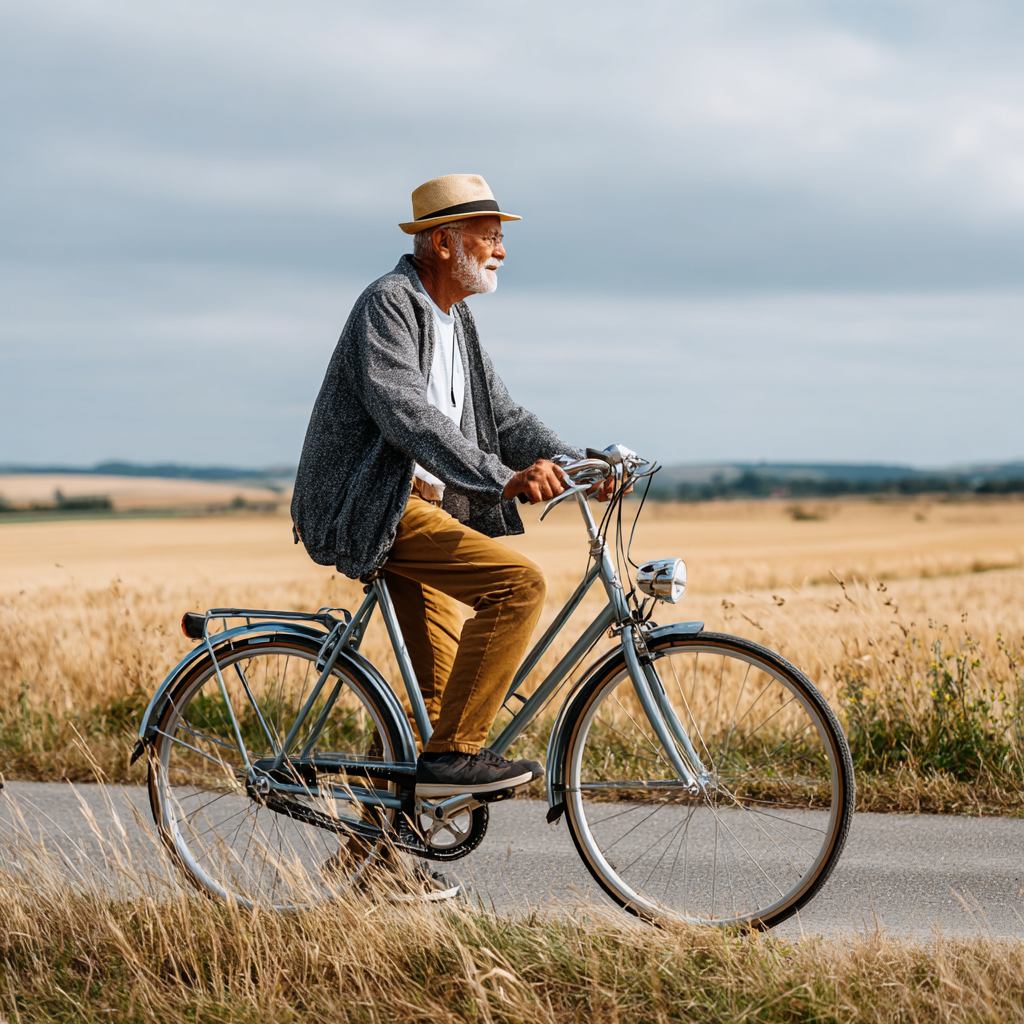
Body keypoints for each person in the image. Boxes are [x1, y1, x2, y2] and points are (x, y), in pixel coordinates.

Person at [292, 173, 614, 807]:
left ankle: (380, 868)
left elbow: (505, 416)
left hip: (422, 508)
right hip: (375, 507)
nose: (501, 250)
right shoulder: (388, 304)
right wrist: (504, 479)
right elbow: (406, 412)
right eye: (489, 236)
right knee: (517, 586)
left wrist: (579, 465)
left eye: (499, 238)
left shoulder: (455, 318)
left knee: (435, 708)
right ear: (443, 243)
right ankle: (458, 757)